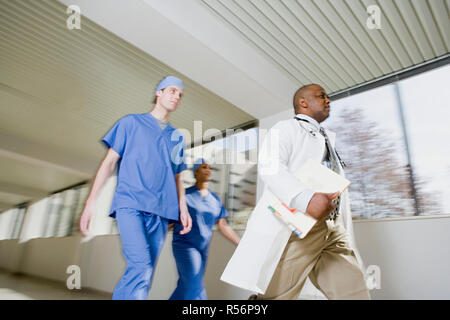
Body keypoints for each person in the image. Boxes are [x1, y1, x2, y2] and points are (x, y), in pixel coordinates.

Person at [221, 84, 370, 300]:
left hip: (332, 229)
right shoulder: (285, 128)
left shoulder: (325, 136)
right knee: (276, 296)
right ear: (303, 102)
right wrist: (306, 199)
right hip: (300, 228)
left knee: (354, 292)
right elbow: (270, 167)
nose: (328, 101)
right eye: (322, 96)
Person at [79, 76, 192, 300]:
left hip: (161, 212)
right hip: (130, 205)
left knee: (145, 274)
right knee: (141, 265)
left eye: (180, 94)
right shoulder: (130, 123)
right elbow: (109, 163)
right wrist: (90, 202)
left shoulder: (176, 137)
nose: (176, 96)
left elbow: (177, 177)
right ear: (158, 93)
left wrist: (184, 208)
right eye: (172, 91)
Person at [169, 159, 240, 300]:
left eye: (210, 167)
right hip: (185, 246)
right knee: (195, 284)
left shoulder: (215, 200)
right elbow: (170, 221)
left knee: (186, 286)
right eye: (203, 167)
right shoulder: (185, 196)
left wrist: (241, 244)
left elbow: (223, 225)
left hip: (202, 249)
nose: (208, 170)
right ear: (196, 172)